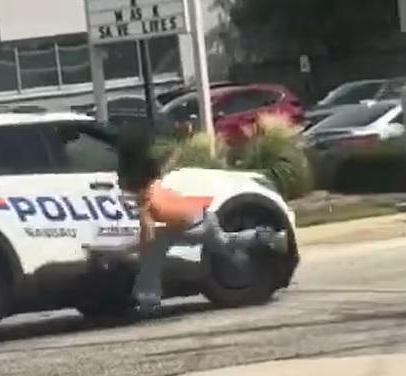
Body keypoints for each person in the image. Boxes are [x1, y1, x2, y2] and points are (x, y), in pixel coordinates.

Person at [115, 126, 289, 315]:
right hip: (204, 217)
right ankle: (267, 236)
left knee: (155, 251)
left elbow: (148, 234)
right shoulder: (154, 185)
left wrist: (134, 249)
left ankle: (147, 298)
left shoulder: (146, 202)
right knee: (224, 242)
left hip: (195, 226)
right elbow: (161, 173)